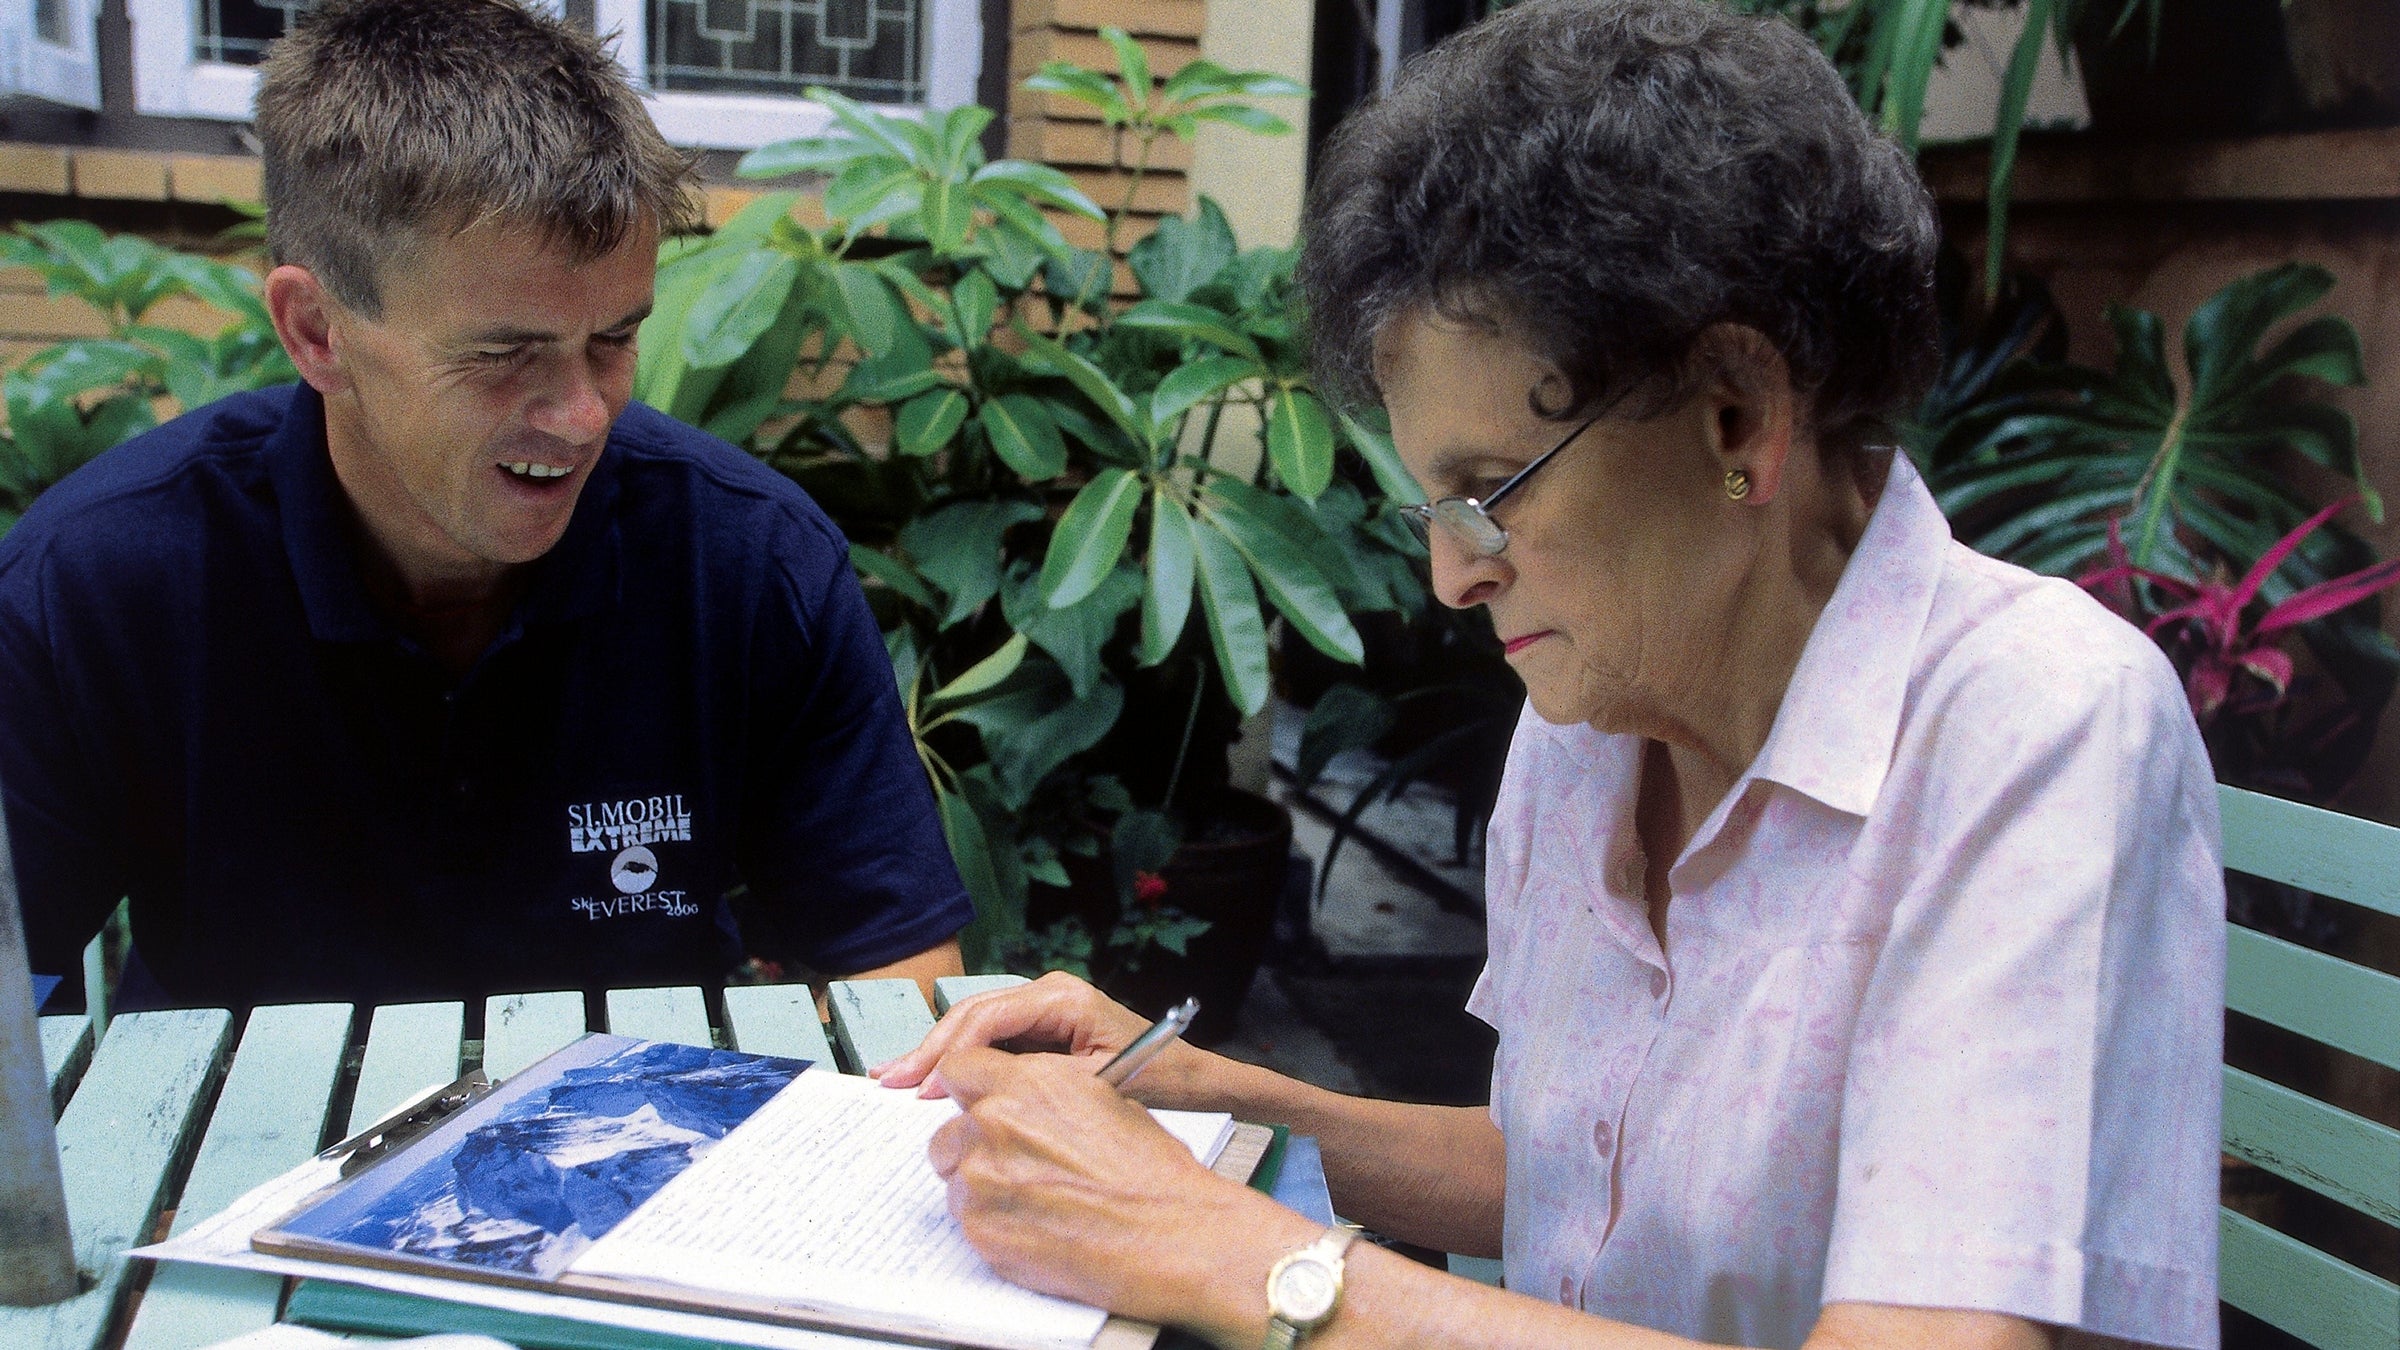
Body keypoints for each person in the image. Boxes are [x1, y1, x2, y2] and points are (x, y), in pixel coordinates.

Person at [874, 2, 2224, 1347]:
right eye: (1433, 510)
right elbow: (1566, 1178)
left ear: (1735, 416)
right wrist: (1194, 1101)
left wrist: (1242, 1255)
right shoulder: (1599, 712)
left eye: (1488, 495)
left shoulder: (2036, 728)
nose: (1455, 579)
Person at [0, 0, 971, 1010]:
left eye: (615, 338)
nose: (583, 414)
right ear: (316, 329)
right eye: (504, 354)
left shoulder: (747, 561)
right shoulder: (93, 589)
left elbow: (900, 990)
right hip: (232, 1149)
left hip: (651, 1146)